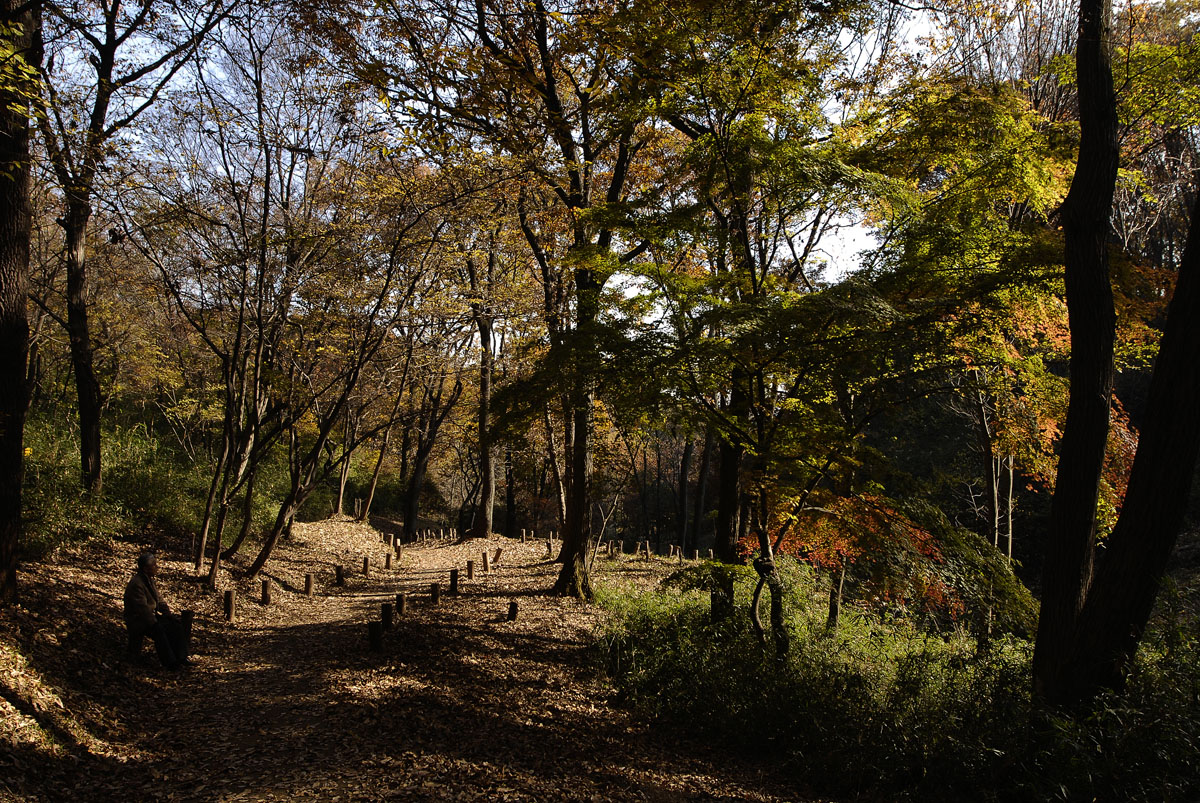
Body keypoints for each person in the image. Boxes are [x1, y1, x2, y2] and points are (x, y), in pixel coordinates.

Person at [124, 551, 190, 669]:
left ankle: (181, 657)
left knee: (175, 624)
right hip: (137, 619)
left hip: (149, 617)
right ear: (145, 568)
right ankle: (170, 663)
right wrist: (154, 623)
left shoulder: (149, 580)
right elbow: (142, 609)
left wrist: (168, 614)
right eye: (154, 565)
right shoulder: (137, 584)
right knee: (159, 630)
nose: (156, 567)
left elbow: (159, 600)